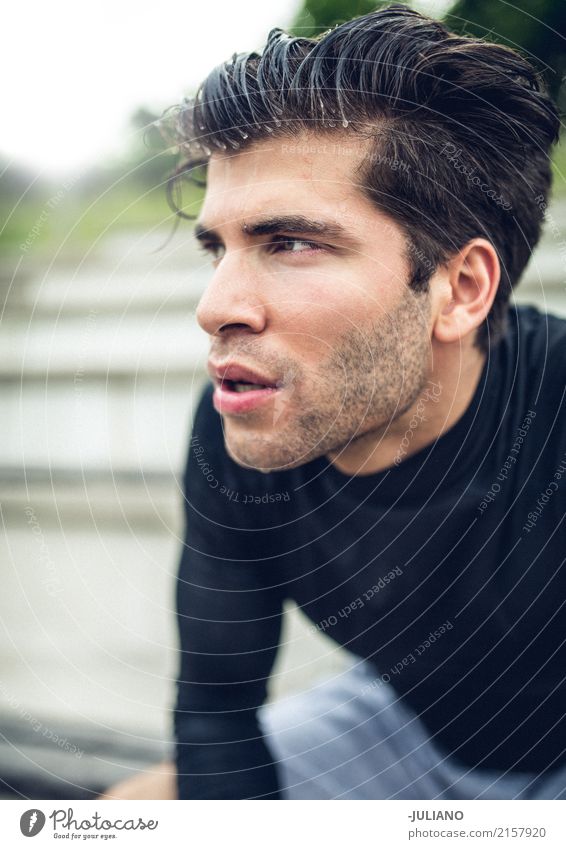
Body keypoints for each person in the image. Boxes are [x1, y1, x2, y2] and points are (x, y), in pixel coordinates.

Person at [101, 3, 566, 800]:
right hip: (403, 720)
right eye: (220, 247)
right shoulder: (241, 421)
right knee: (127, 814)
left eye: (290, 242)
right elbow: (216, 709)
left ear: (460, 289)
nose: (216, 307)